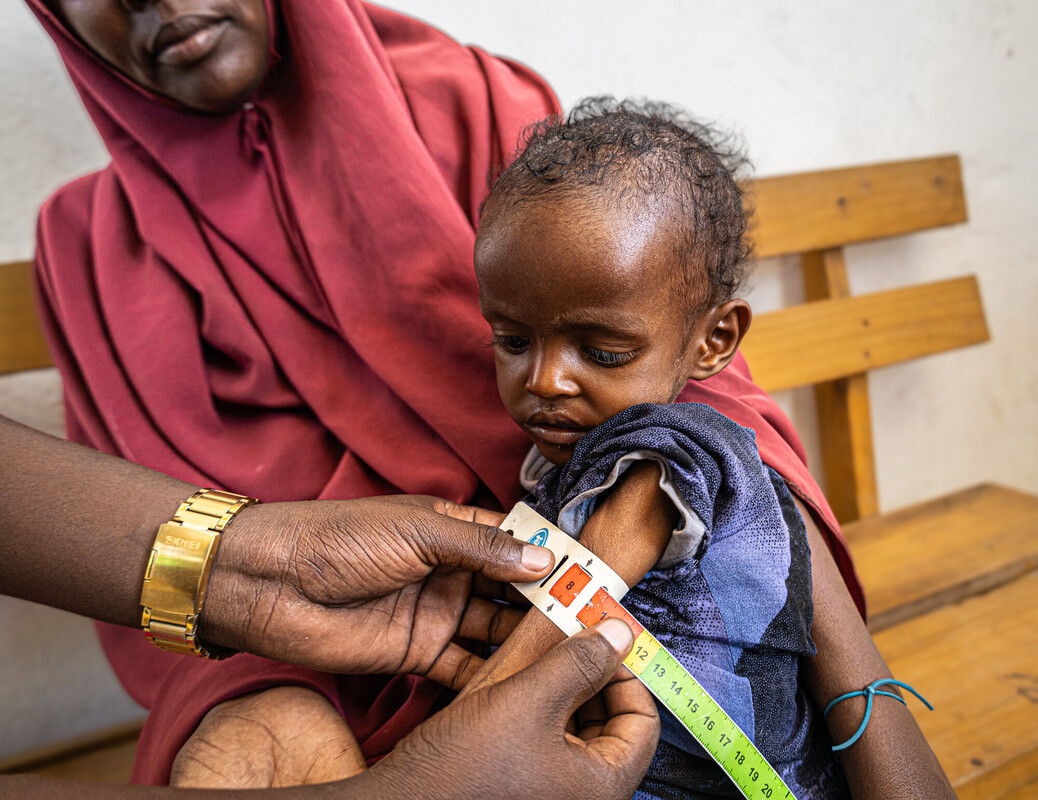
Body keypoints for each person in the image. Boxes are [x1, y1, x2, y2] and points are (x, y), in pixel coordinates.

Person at [22, 0, 944, 796]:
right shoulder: (86, 251)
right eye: (510, 339)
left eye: (591, 347)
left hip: (576, 624)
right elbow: (159, 573)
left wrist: (849, 670)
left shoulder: (479, 108)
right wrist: (263, 700)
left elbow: (703, 409)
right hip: (288, 660)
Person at [460, 99, 954, 799]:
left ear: (714, 341)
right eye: (512, 340)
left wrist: (458, 737)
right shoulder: (566, 454)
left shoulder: (676, 451)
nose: (544, 379)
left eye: (601, 350)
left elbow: (581, 598)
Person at [1, 411, 661, 799]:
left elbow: (680, 440)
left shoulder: (535, 194)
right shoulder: (88, 242)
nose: (546, 379)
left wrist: (257, 578)